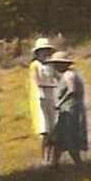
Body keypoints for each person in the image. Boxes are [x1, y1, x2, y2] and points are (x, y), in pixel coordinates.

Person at [47, 50, 88, 166]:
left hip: (71, 110)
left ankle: (78, 163)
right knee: (59, 137)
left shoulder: (69, 75)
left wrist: (59, 103)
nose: (54, 66)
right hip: (68, 110)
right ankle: (54, 164)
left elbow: (72, 90)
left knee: (69, 137)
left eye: (56, 64)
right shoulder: (67, 75)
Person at [27, 37, 58, 165]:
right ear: (37, 53)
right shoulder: (34, 66)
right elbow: (38, 82)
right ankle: (44, 158)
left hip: (51, 99)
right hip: (40, 99)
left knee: (53, 130)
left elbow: (58, 77)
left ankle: (52, 159)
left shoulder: (51, 65)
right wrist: (53, 85)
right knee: (45, 130)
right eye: (42, 51)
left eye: (47, 51)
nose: (45, 53)